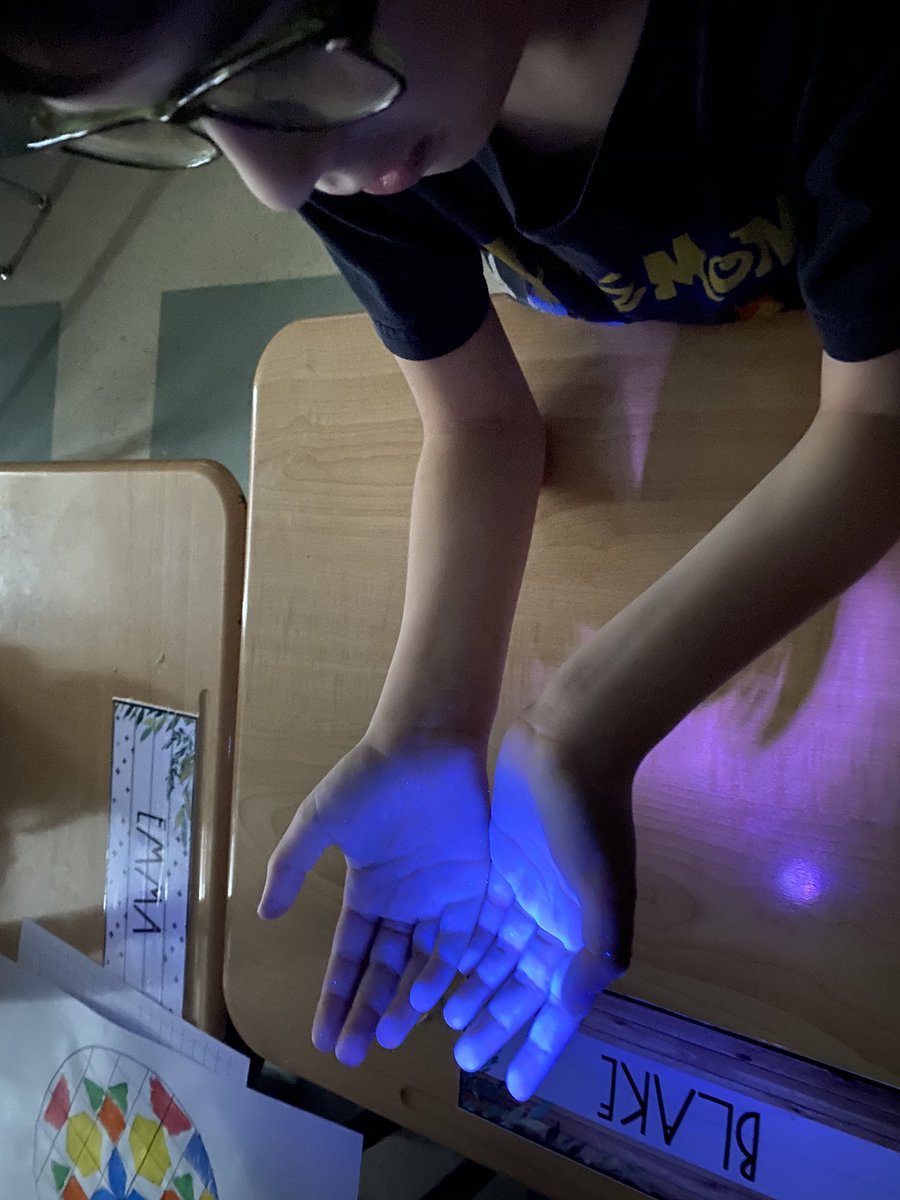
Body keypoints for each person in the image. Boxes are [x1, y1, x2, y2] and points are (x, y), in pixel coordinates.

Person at [3, 0, 899, 1103]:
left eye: (263, 62)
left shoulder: (839, 43)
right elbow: (479, 423)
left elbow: (879, 420)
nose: (272, 184)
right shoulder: (354, 129)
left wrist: (588, 718)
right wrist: (424, 722)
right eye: (183, 115)